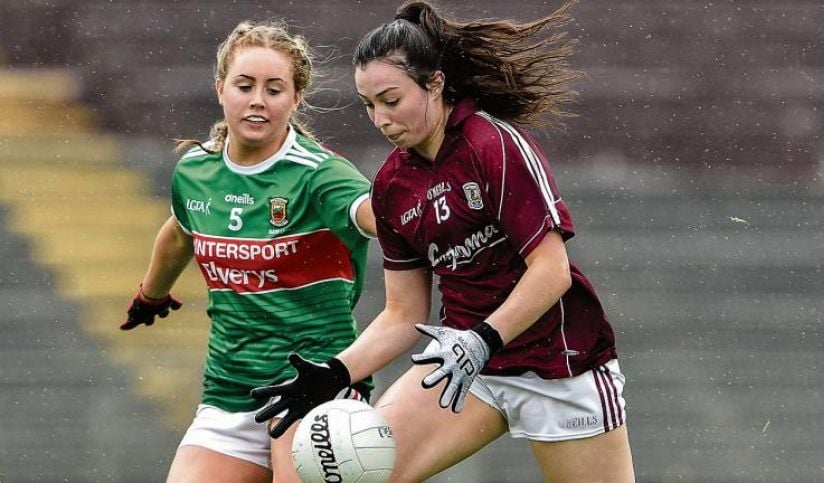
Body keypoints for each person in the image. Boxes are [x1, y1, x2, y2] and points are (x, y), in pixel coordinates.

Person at [252, 1, 636, 481]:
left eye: (391, 100)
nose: (380, 119)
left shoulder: (491, 144)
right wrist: (336, 372)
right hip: (465, 370)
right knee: (357, 473)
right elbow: (403, 313)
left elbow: (551, 272)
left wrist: (483, 339)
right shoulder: (393, 185)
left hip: (560, 367)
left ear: (434, 82)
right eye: (369, 105)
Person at [120, 19, 376, 483]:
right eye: (245, 85)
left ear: (295, 98)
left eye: (274, 89)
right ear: (221, 89)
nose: (258, 99)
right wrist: (151, 295)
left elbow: (376, 217)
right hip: (230, 390)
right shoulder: (196, 171)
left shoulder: (320, 174)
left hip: (316, 389)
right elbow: (180, 233)